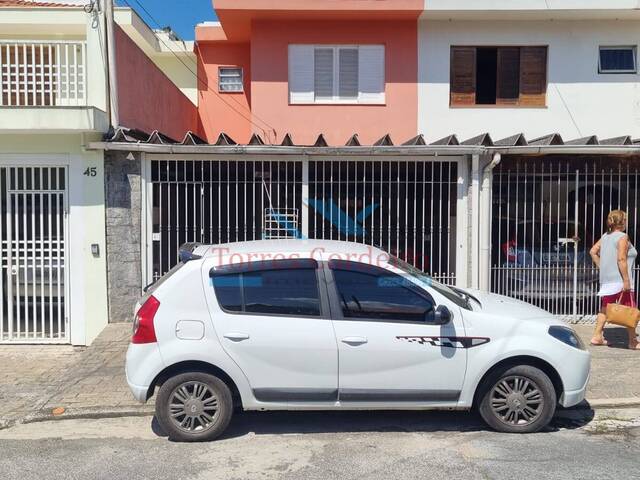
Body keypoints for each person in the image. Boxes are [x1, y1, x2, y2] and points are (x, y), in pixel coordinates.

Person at [589, 210, 640, 349]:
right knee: (630, 308)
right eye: (625, 219)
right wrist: (626, 280)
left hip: (607, 280)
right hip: (620, 279)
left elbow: (593, 251)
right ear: (622, 221)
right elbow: (621, 259)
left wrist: (603, 267)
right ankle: (633, 341)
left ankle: (597, 336)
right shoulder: (623, 237)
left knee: (605, 308)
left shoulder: (605, 236)